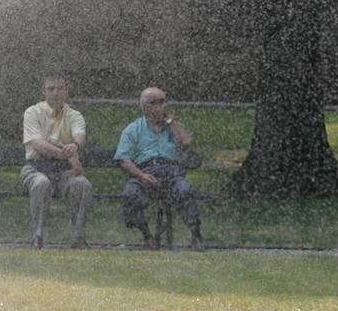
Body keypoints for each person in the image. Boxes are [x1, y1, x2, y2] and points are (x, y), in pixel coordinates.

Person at [114, 86, 204, 250]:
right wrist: (141, 176)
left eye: (163, 101)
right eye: (156, 102)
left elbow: (186, 143)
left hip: (171, 174)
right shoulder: (133, 129)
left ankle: (196, 235)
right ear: (145, 107)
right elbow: (124, 159)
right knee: (131, 194)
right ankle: (146, 235)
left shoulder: (173, 127)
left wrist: (170, 121)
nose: (162, 106)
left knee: (185, 190)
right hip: (144, 173)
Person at [21, 74, 92, 249]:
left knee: (83, 184)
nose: (56, 92)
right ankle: (37, 236)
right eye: (51, 88)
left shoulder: (74, 115)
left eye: (60, 88)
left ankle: (78, 238)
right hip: (36, 168)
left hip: (65, 172)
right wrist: (66, 153)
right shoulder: (32, 113)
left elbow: (79, 136)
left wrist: (75, 145)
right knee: (41, 183)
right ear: (43, 92)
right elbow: (38, 145)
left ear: (66, 91)